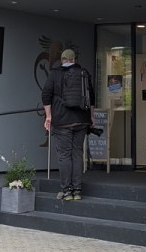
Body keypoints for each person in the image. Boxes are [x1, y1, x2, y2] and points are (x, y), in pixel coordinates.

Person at [42, 48, 94, 201]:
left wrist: (49, 116)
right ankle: (77, 191)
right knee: (77, 153)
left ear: (62, 59)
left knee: (64, 155)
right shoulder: (84, 73)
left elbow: (46, 95)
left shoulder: (54, 74)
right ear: (74, 60)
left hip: (62, 121)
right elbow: (91, 97)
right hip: (81, 120)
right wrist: (91, 117)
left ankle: (66, 191)